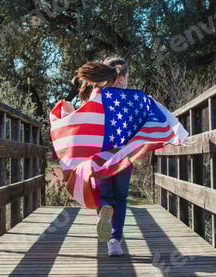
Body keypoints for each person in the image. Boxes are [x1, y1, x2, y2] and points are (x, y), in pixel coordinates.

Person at [71, 57, 131, 256]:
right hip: (123, 156)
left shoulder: (97, 97)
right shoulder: (130, 99)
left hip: (101, 157)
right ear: (122, 78)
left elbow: (83, 122)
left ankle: (105, 209)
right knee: (121, 197)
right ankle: (115, 241)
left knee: (105, 195)